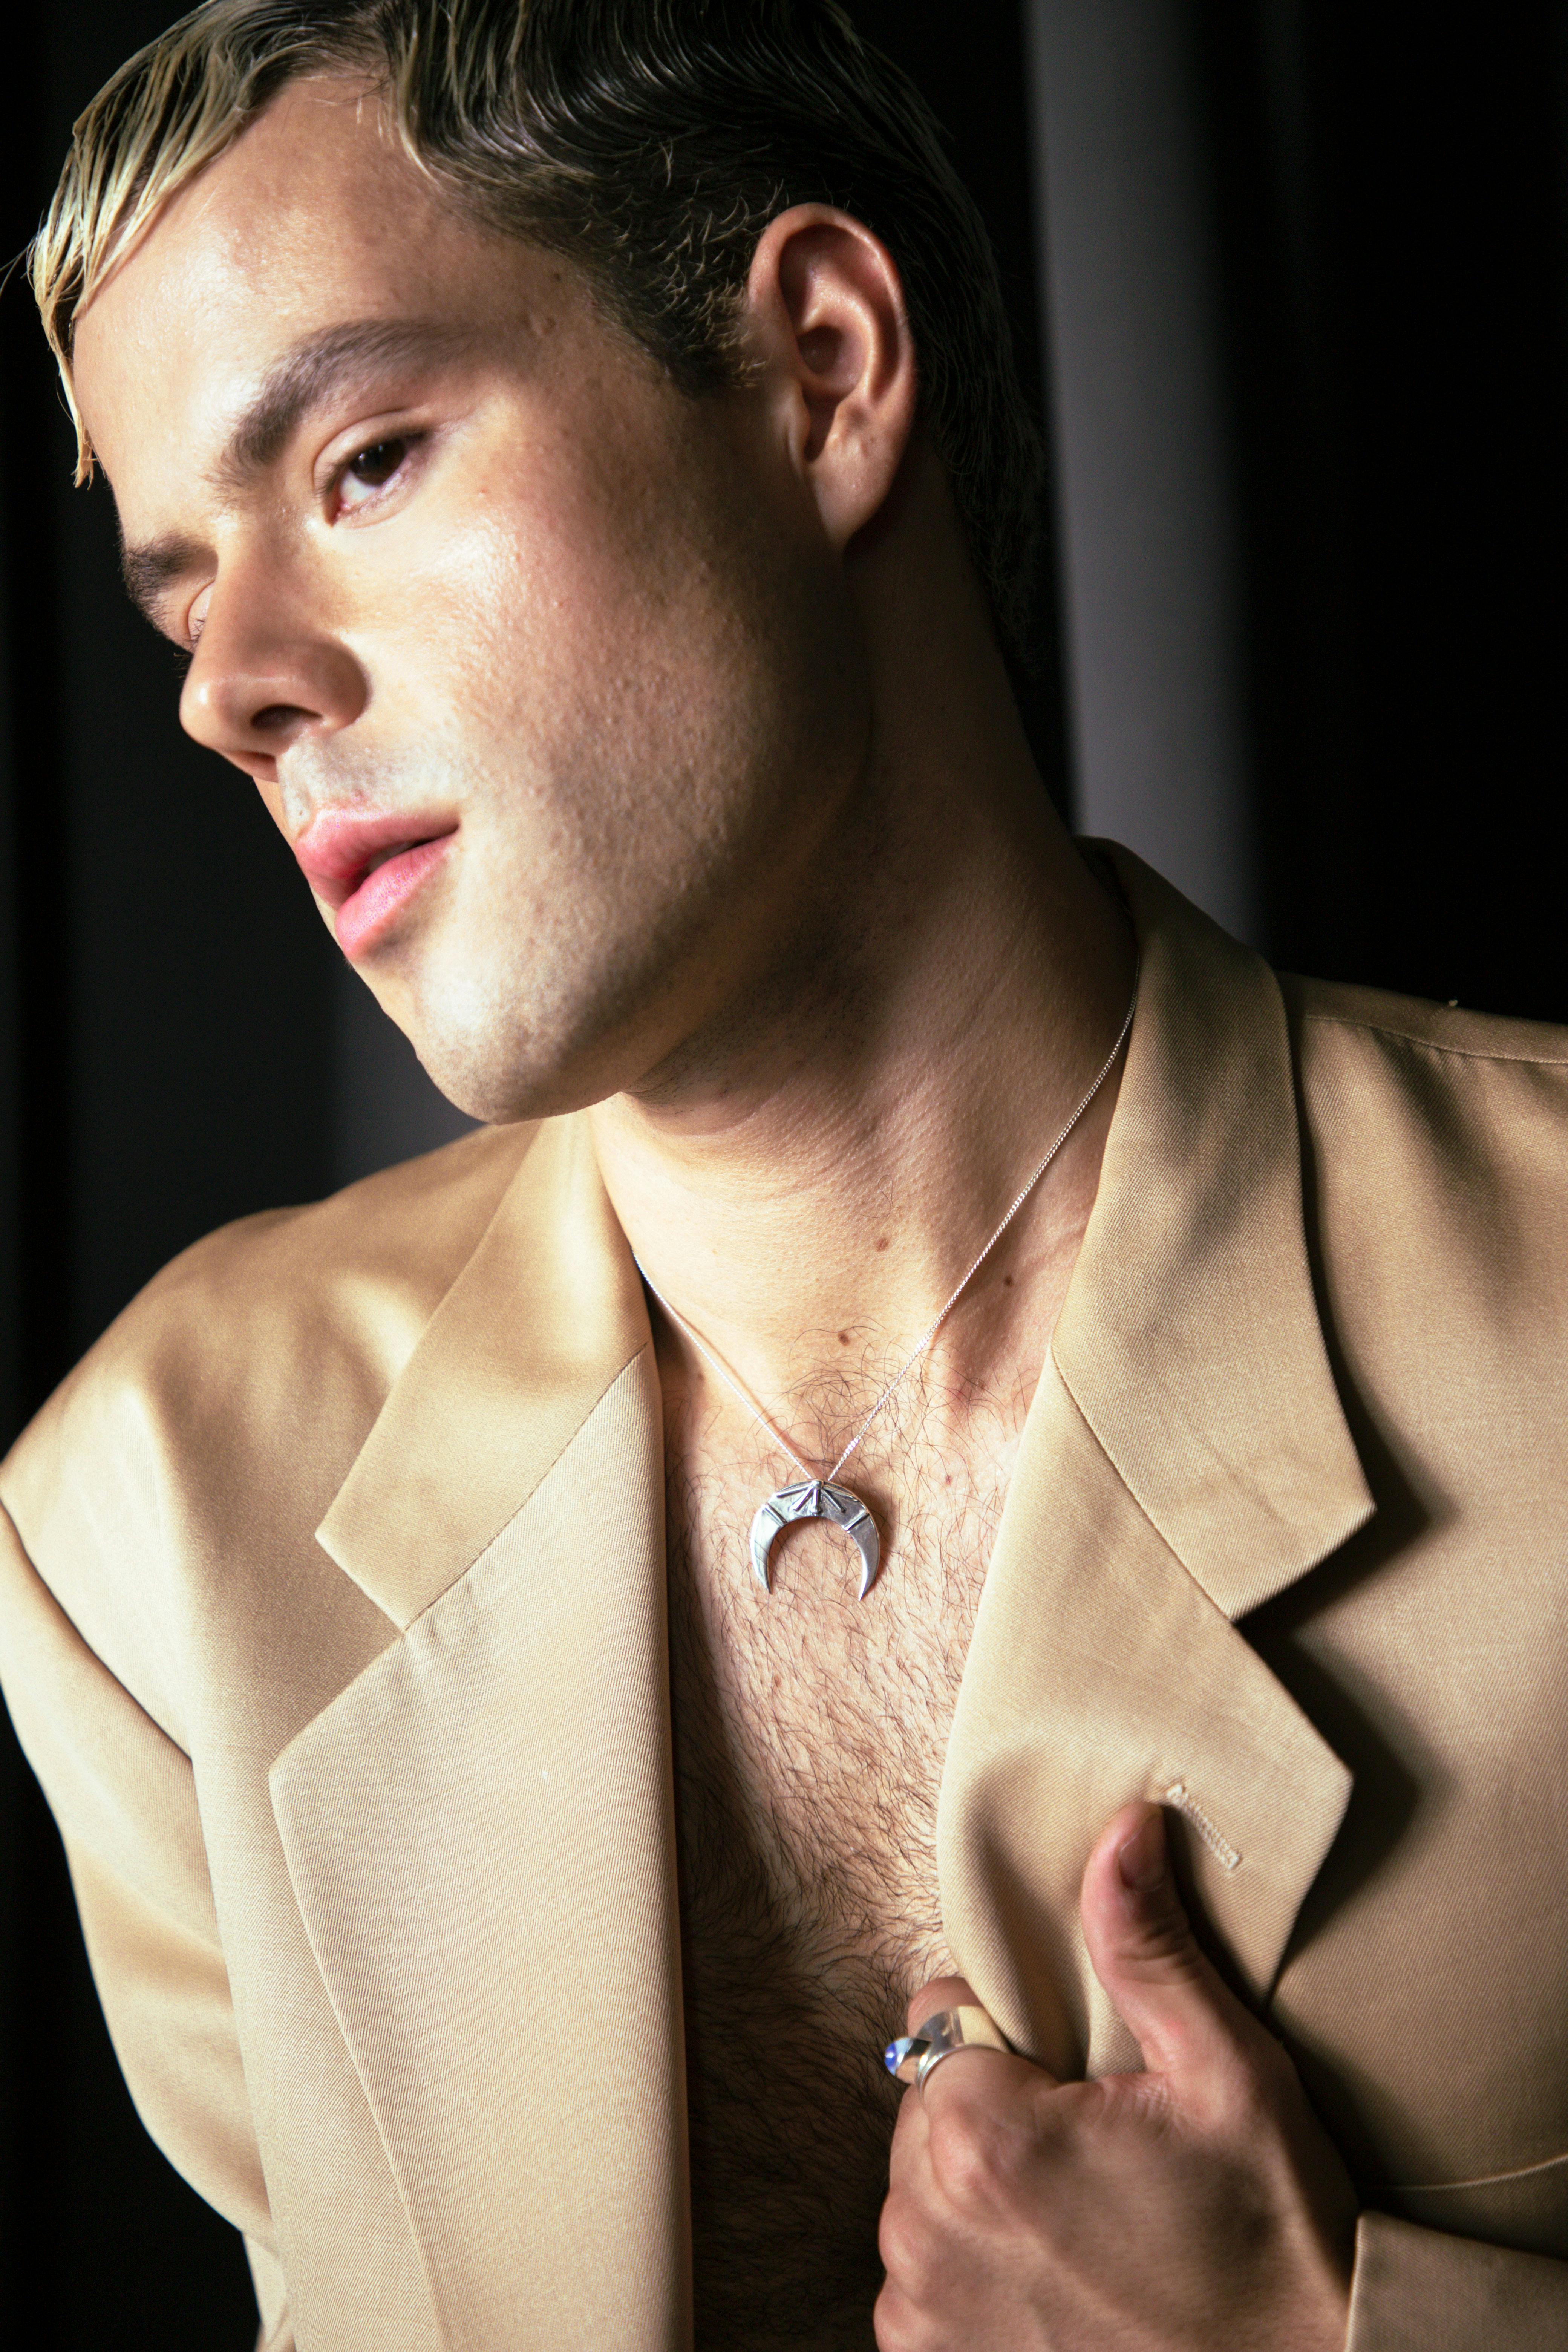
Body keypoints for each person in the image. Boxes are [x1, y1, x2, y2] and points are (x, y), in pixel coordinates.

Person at [2, 2, 1566, 2345]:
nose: (235, 681)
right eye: (182, 587)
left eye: (362, 462)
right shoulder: (149, 1535)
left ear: (825, 372)